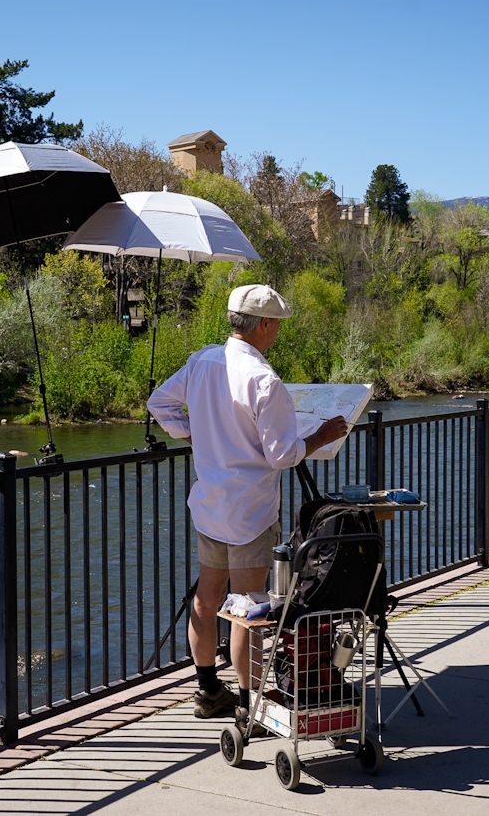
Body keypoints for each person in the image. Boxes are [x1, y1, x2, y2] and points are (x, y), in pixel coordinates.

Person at [148, 284, 349, 721]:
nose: (277, 332)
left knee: (208, 597)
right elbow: (281, 455)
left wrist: (193, 433)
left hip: (210, 503)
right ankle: (247, 705)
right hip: (251, 512)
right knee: (248, 607)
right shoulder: (264, 380)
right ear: (263, 324)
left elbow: (158, 403)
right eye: (276, 324)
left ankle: (206, 690)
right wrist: (320, 436)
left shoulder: (203, 360)